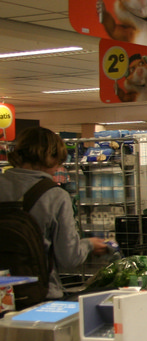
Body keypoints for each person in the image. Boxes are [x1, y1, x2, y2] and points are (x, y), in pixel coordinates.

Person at [0, 127, 109, 298]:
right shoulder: (55, 196)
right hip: (39, 294)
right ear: (49, 157)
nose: (58, 168)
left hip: (3, 295)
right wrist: (89, 245)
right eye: (58, 162)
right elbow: (69, 258)